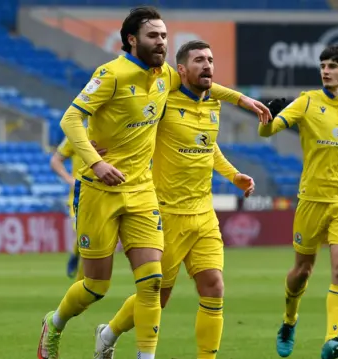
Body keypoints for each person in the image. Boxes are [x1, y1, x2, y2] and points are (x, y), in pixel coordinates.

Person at [36, 6, 270, 359]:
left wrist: (242, 99)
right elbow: (71, 119)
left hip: (142, 190)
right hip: (99, 189)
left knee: (152, 283)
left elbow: (203, 83)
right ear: (132, 40)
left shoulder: (165, 77)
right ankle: (54, 323)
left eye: (164, 36)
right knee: (95, 286)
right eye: (153, 36)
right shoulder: (111, 74)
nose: (161, 42)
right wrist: (96, 163)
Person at [91, 39, 256, 359]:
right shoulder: (163, 101)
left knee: (214, 287)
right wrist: (97, 145)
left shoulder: (213, 105)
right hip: (166, 214)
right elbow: (129, 124)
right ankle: (109, 332)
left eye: (210, 59)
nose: (207, 65)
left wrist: (233, 175)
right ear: (181, 70)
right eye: (198, 60)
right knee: (157, 296)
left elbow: (208, 147)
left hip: (204, 213)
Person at [258, 44, 338, 359]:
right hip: (312, 200)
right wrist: (269, 114)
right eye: (323, 65)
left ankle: (330, 341)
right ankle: (289, 320)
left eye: (332, 66)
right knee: (302, 272)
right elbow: (267, 132)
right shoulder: (307, 101)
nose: (325, 71)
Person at [50, 134, 107, 280]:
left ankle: (77, 255)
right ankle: (81, 282)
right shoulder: (77, 134)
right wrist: (70, 180)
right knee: (85, 235)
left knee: (96, 240)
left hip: (106, 195)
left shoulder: (113, 131)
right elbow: (55, 161)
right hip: (79, 196)